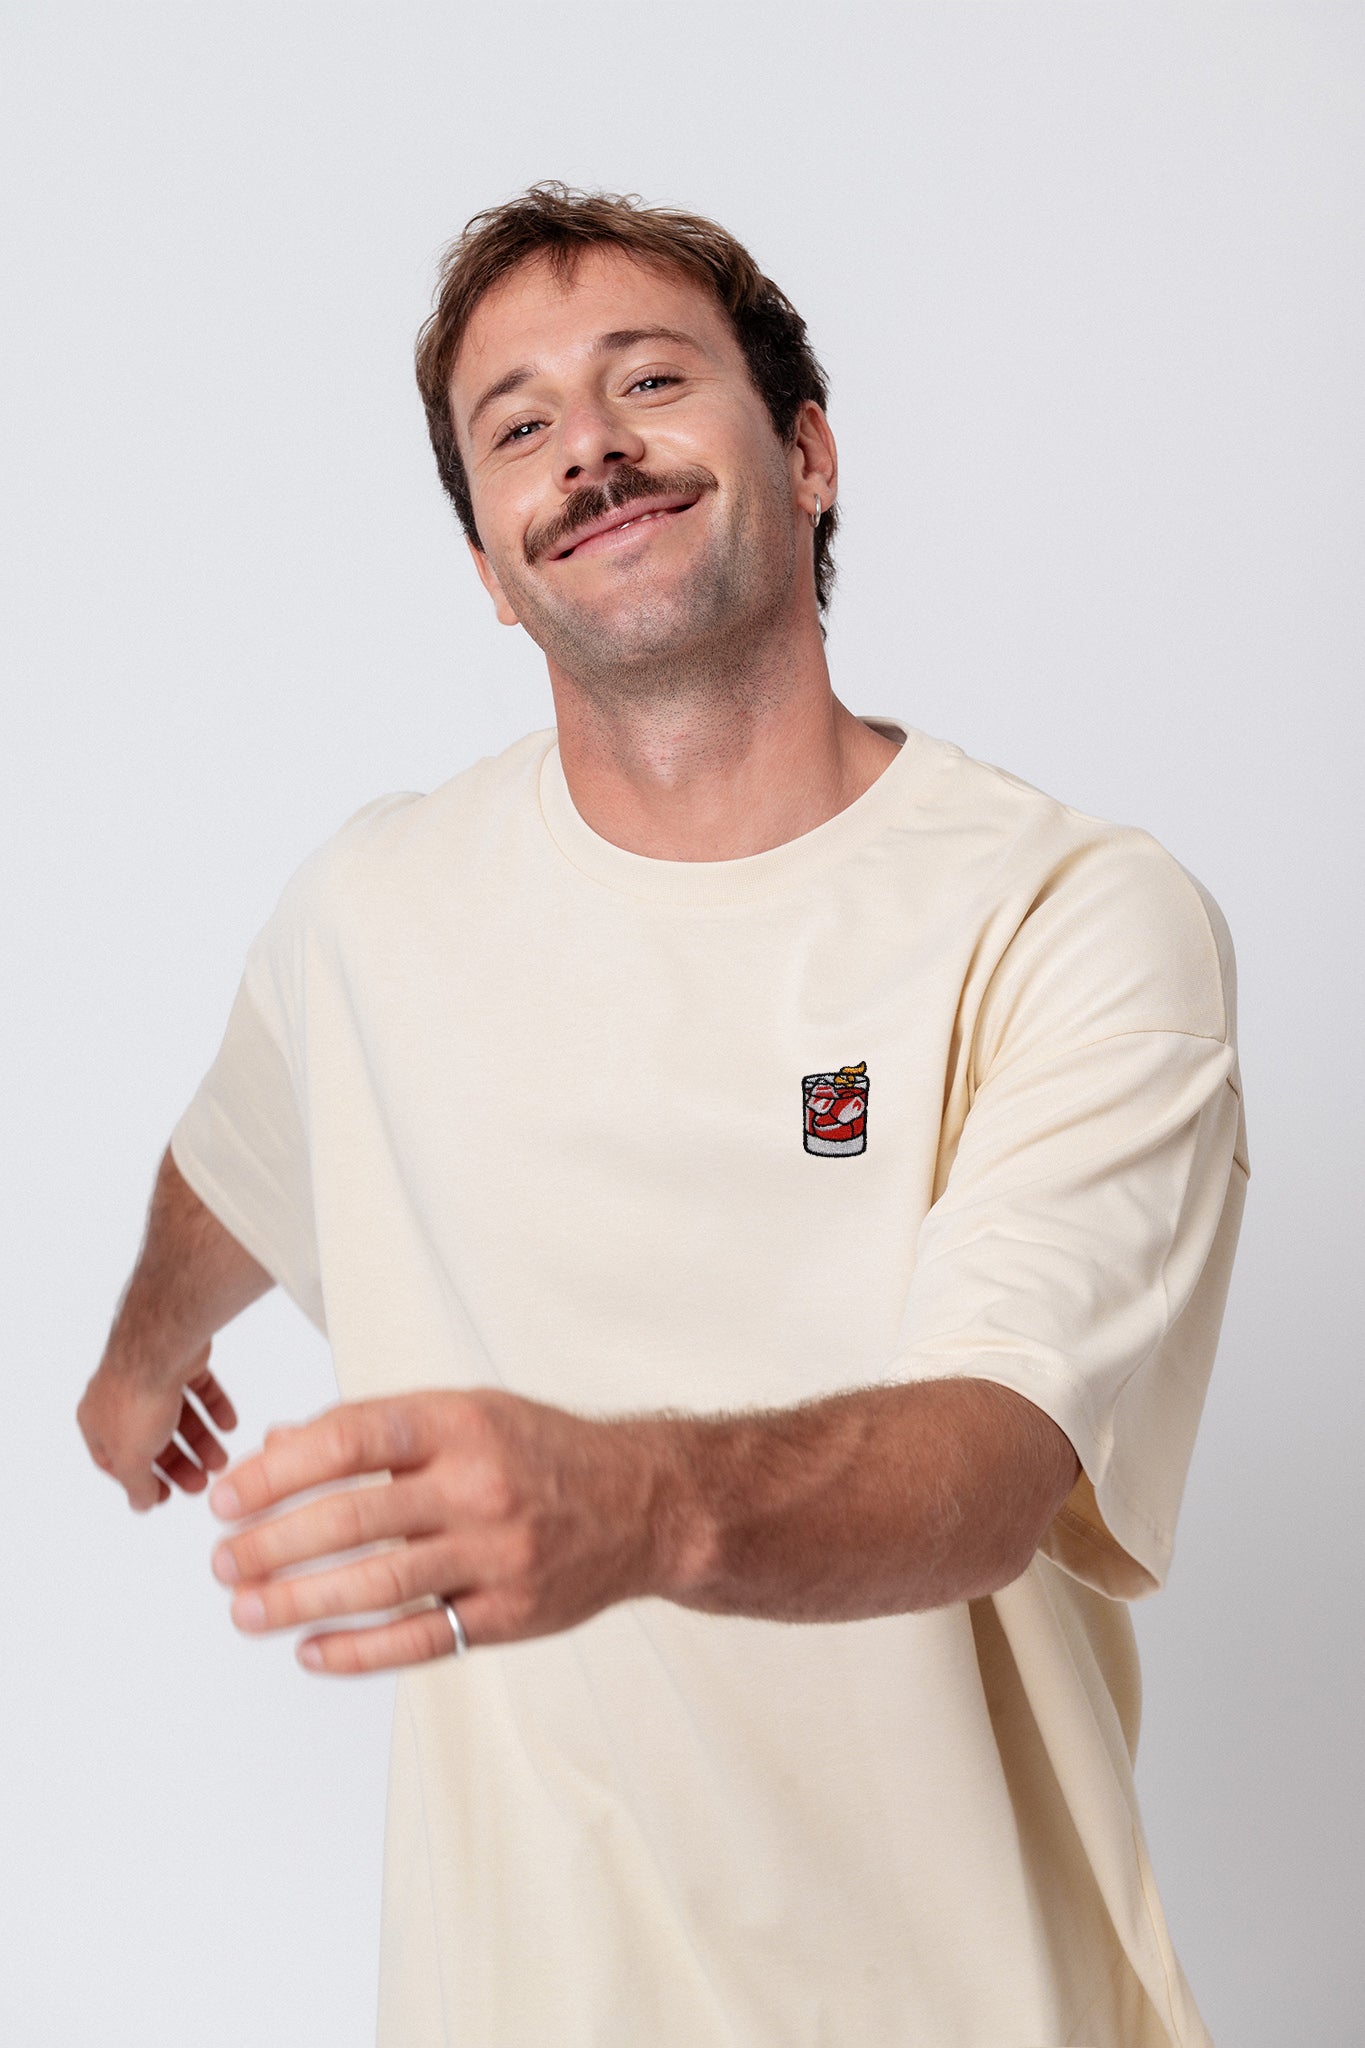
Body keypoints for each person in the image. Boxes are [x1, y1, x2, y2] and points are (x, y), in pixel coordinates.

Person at [77, 183, 1250, 2048]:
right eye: (518, 426)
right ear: (489, 564)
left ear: (807, 454)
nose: (590, 450)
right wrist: (146, 1357)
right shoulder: (372, 909)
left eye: (647, 381)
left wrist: (630, 1507)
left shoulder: (1064, 915)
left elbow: (991, 1463)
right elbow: (246, 1144)